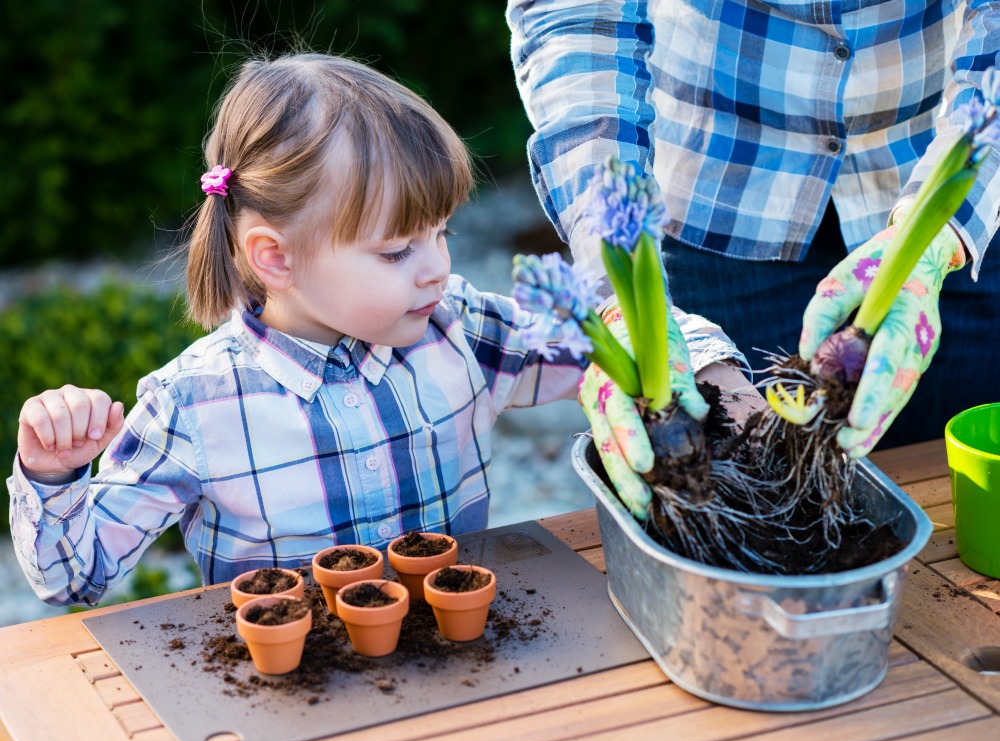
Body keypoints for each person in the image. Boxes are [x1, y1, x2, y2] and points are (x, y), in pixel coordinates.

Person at [8, 53, 746, 607]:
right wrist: (52, 473)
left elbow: (620, 345)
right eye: (397, 250)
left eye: (443, 233)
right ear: (276, 256)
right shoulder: (193, 408)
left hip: (463, 662)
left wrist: (706, 366)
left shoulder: (461, 331)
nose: (436, 269)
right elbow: (73, 579)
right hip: (289, 696)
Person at [507, 0, 1000, 455]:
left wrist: (937, 240)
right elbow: (576, 18)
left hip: (949, 174)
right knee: (741, 464)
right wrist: (615, 289)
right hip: (720, 187)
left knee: (948, 469)